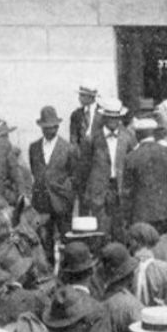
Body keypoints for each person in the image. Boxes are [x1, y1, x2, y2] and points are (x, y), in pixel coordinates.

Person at [78, 99, 136, 238]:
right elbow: (84, 168)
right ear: (104, 117)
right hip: (99, 191)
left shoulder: (128, 137)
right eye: (110, 117)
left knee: (120, 231)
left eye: (116, 117)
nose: (113, 121)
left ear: (120, 118)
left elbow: (132, 165)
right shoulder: (92, 139)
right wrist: (87, 194)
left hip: (120, 189)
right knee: (101, 231)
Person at [29, 105, 79, 260]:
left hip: (62, 201)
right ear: (41, 127)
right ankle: (48, 270)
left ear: (57, 126)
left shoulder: (68, 148)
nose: (49, 130)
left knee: (66, 237)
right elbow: (35, 171)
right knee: (44, 239)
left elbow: (75, 175)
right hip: (41, 202)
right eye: (46, 127)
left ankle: (68, 270)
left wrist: (66, 192)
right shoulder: (34, 148)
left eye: (52, 127)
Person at [121, 117, 167, 232]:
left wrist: (126, 217)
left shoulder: (131, 157)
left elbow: (127, 192)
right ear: (154, 133)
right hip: (165, 211)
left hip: (140, 213)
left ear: (137, 135)